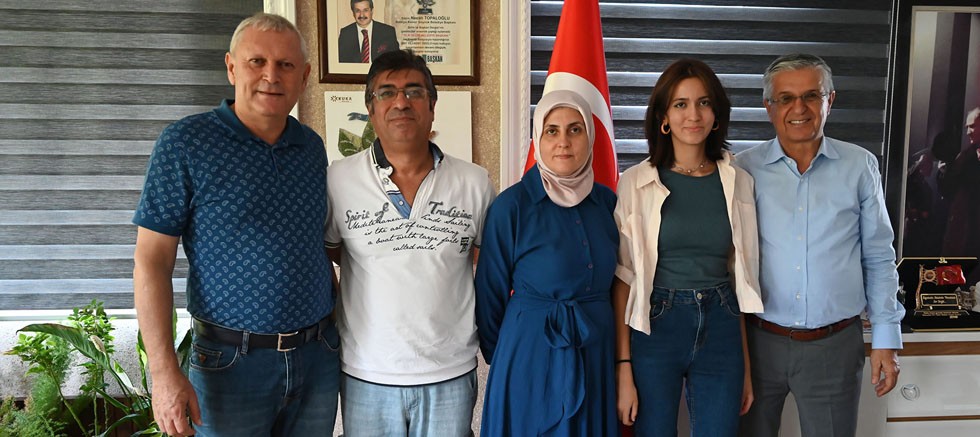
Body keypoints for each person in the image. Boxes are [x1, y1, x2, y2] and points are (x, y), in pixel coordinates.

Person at [132, 12, 339, 437]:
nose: (271, 76)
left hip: (317, 357)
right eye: (256, 61)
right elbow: (151, 262)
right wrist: (163, 373)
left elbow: (314, 242)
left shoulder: (311, 148)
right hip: (229, 366)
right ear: (231, 67)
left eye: (285, 65)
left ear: (304, 76)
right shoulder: (185, 144)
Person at [324, 49, 495, 436]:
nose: (401, 102)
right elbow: (331, 252)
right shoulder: (338, 180)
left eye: (414, 91)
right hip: (367, 374)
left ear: (432, 106)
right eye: (387, 92)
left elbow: (489, 264)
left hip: (450, 373)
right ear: (371, 109)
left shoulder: (475, 183)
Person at [736, 53, 904, 437]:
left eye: (811, 96)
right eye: (786, 98)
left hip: (834, 346)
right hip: (756, 345)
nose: (799, 108)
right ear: (768, 106)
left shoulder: (859, 166)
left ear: (830, 100)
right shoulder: (741, 170)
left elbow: (878, 257)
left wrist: (886, 341)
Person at [612, 58, 764, 436]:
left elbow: (739, 280)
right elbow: (624, 279)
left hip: (722, 323)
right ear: (664, 116)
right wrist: (624, 367)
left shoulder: (739, 182)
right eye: (680, 104)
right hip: (656, 325)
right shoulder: (634, 183)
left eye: (703, 102)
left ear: (717, 115)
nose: (693, 115)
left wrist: (744, 367)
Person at [475, 90, 619, 436]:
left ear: (590, 136)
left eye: (575, 129)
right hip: (530, 358)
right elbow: (490, 295)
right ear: (537, 138)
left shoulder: (608, 203)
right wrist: (511, 358)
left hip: (595, 354)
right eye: (551, 131)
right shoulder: (512, 206)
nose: (563, 142)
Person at [938, 107, 980, 276]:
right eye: (967, 127)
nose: (968, 132)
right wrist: (943, 173)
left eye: (972, 126)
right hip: (964, 228)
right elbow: (949, 191)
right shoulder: (965, 156)